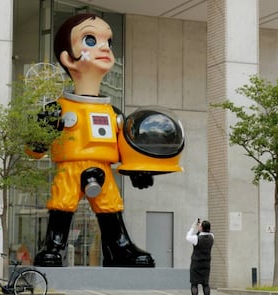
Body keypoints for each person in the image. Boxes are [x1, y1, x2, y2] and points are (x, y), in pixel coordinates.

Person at [26, 13, 184, 268]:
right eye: (90, 39)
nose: (104, 46)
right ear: (68, 58)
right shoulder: (59, 108)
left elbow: (127, 147)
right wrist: (42, 131)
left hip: (104, 170)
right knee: (62, 202)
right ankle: (54, 245)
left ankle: (118, 247)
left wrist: (139, 171)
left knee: (110, 204)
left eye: (108, 41)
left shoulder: (113, 114)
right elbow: (34, 151)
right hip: (69, 168)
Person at [186, 219, 214, 295]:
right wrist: (200, 229)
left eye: (200, 226)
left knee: (194, 284)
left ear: (201, 228)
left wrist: (193, 226)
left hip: (196, 263)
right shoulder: (212, 237)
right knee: (205, 284)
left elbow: (188, 237)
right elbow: (204, 233)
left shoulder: (196, 238)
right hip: (206, 263)